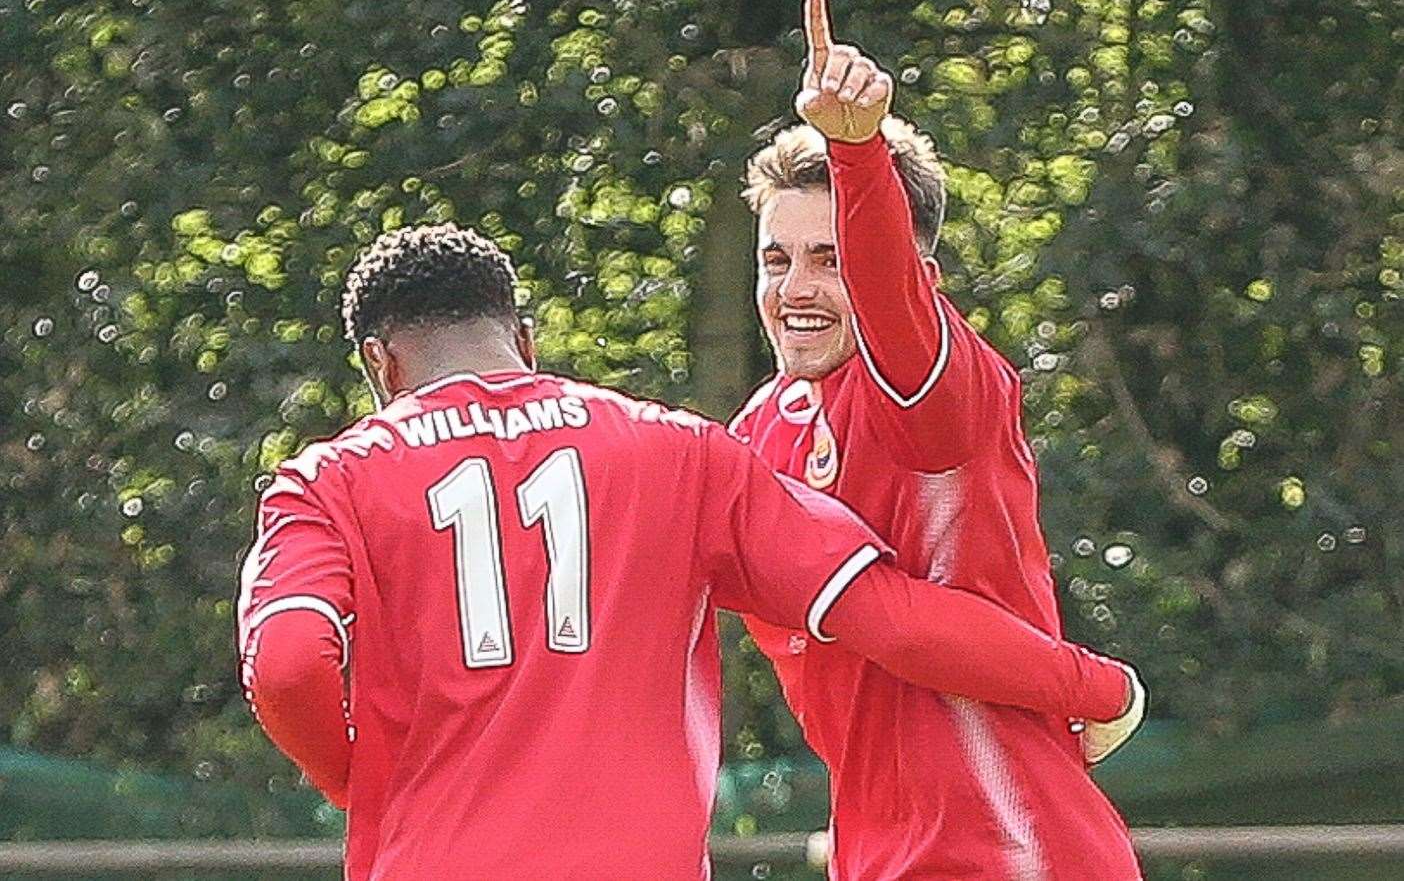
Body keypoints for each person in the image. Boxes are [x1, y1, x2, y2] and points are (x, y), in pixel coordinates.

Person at [236, 223, 1141, 879]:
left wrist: (352, 777)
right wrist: (1091, 685)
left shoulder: (326, 480)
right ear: (523, 337)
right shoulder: (676, 449)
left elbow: (284, 664)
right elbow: (888, 615)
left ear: (382, 366)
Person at [730, 0, 1145, 879]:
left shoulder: (940, 390)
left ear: (916, 276)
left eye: (829, 258)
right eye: (777, 258)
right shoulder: (758, 437)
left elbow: (894, 310)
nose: (795, 288)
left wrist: (855, 150)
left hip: (1014, 847)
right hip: (878, 853)